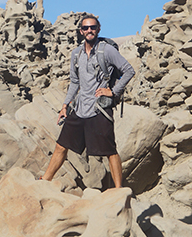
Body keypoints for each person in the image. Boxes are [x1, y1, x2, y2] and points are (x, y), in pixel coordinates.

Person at [41, 15, 135, 188]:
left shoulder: (107, 50)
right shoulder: (76, 53)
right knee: (62, 145)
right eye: (85, 28)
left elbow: (129, 70)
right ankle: (45, 180)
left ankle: (119, 190)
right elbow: (75, 82)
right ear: (80, 31)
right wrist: (65, 105)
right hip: (79, 108)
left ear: (98, 29)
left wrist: (113, 92)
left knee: (110, 151)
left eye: (92, 27)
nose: (89, 30)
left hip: (100, 109)